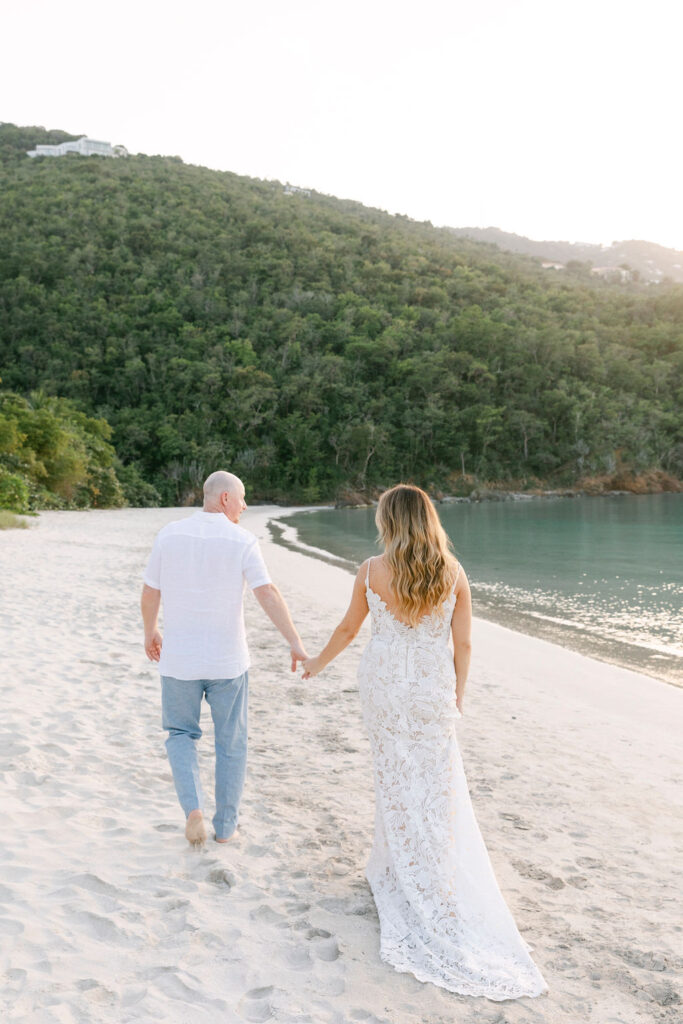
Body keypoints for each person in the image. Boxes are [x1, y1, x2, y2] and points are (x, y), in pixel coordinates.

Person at [302, 484, 548, 1000]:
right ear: (429, 519)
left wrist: (315, 664)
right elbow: (464, 643)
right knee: (436, 785)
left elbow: (349, 629)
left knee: (394, 780)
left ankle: (397, 868)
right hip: (431, 690)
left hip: (386, 688)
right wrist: (455, 694)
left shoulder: (371, 570)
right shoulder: (453, 572)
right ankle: (429, 871)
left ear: (389, 520)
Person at [141, 470, 308, 847]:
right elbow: (267, 593)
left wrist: (149, 631)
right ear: (226, 499)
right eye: (243, 498)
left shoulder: (169, 534)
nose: (246, 506)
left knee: (181, 735)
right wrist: (295, 641)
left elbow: (151, 592)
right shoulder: (242, 540)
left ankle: (193, 810)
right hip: (227, 662)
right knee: (231, 742)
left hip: (179, 661)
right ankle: (226, 827)